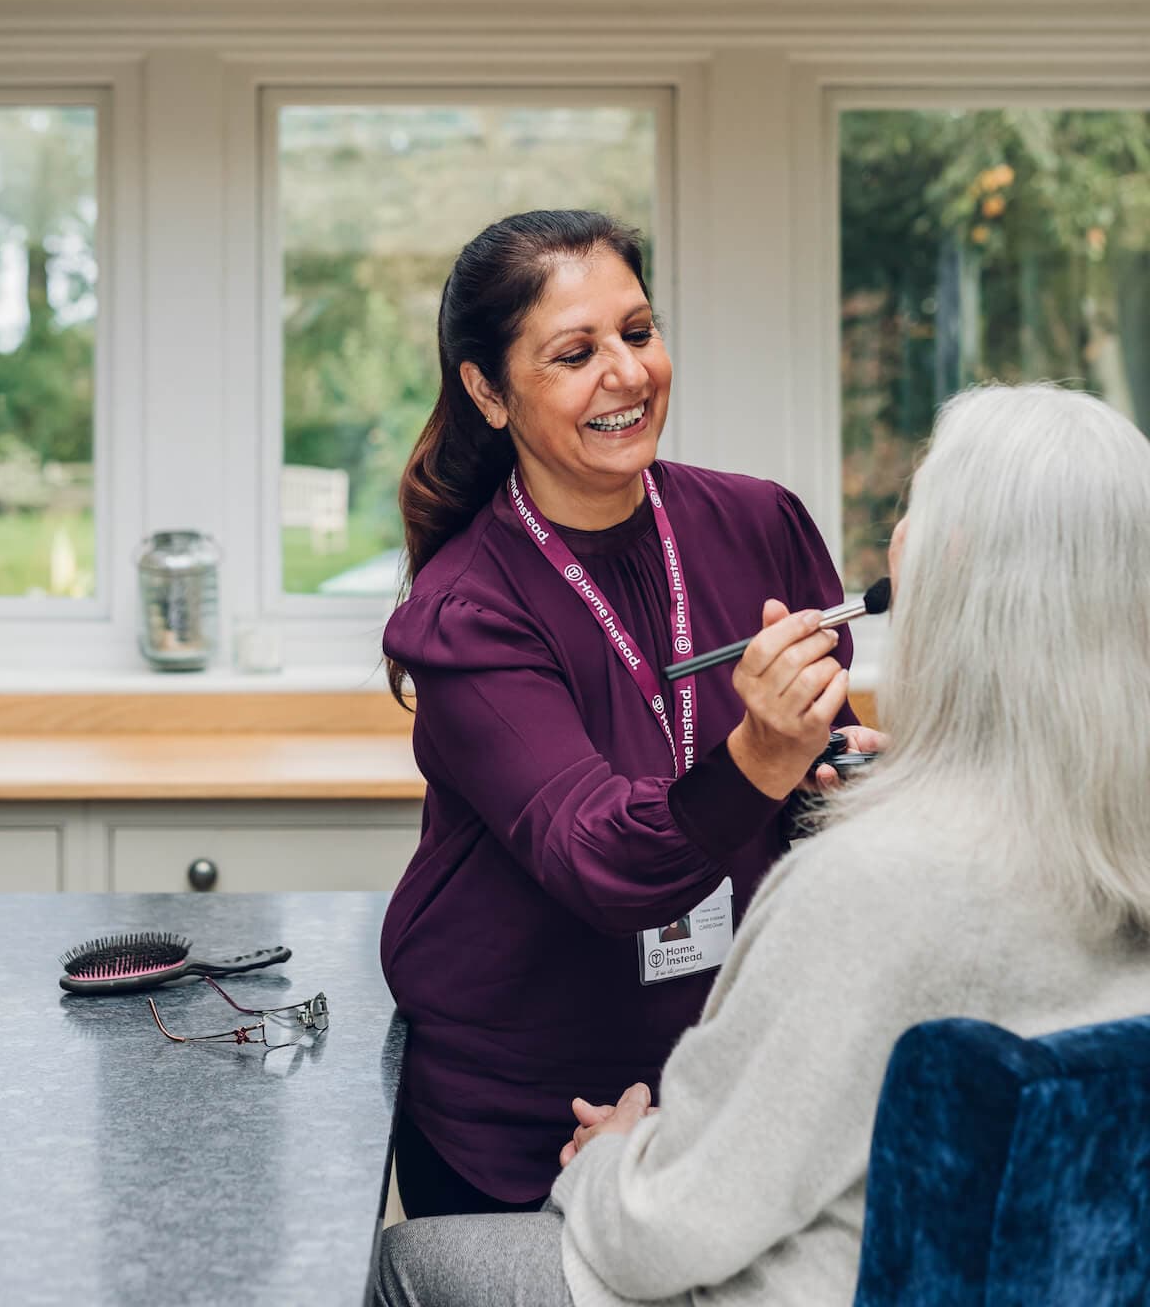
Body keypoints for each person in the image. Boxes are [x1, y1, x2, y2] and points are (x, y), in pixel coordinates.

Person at [376, 381, 1150, 1307]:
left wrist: (608, 1161)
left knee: (404, 1264)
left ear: (945, 566)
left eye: (912, 503)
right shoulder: (1112, 841)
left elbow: (665, 1233)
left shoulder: (862, 887)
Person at [380, 209, 878, 1216]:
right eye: (574, 353)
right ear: (486, 390)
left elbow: (807, 749)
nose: (627, 373)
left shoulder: (758, 520)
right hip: (526, 1116)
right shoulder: (464, 611)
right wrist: (758, 756)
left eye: (638, 333)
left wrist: (837, 769)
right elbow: (600, 863)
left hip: (722, 1087)